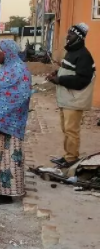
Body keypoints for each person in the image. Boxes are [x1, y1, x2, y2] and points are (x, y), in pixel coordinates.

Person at [0, 40, 32, 205]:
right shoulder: (5, 69)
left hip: (9, 122)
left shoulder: (20, 70)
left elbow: (20, 97)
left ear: (8, 52)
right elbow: (0, 90)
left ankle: (6, 193)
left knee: (7, 157)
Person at [46, 23, 96, 168]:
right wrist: (57, 73)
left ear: (79, 37)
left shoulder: (84, 55)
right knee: (66, 129)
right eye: (68, 33)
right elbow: (68, 70)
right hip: (67, 99)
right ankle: (67, 156)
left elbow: (82, 80)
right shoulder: (72, 52)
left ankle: (71, 159)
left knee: (71, 131)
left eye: (71, 34)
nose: (67, 36)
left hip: (75, 100)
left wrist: (60, 80)